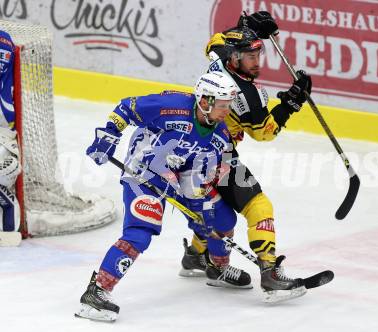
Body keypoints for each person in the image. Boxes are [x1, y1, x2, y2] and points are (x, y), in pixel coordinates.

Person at [75, 71, 253, 322]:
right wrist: (109, 136)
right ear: (205, 101)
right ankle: (97, 292)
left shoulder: (220, 135)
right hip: (142, 172)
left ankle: (218, 268)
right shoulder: (173, 106)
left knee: (222, 219)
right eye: (223, 106)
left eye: (229, 105)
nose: (227, 111)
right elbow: (127, 107)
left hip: (177, 177)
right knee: (140, 231)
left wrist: (199, 210)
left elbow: (198, 173)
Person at [180, 12, 312, 298]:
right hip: (215, 158)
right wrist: (291, 103)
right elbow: (264, 132)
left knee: (214, 213)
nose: (257, 63)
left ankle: (195, 255)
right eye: (250, 57)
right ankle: (269, 272)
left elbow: (215, 41)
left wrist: (246, 29)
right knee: (259, 207)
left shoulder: (218, 56)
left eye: (258, 55)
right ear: (235, 58)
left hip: (189, 152)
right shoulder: (247, 95)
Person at [0, 29, 21, 241]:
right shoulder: (5, 38)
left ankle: (7, 229)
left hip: (2, 119)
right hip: (5, 116)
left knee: (4, 174)